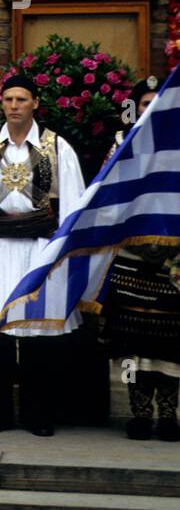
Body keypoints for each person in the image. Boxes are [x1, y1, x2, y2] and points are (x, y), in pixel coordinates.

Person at [0, 72, 85, 436]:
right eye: (8, 100)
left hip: (38, 247)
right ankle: (1, 410)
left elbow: (73, 203)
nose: (13, 106)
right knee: (0, 335)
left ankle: (36, 412)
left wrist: (63, 250)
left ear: (35, 103)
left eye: (21, 100)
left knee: (36, 335)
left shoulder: (57, 148)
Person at [97, 76, 179, 441]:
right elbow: (104, 197)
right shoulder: (120, 146)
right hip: (130, 258)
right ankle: (141, 413)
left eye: (156, 103)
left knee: (170, 346)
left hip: (173, 260)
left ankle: (169, 415)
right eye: (143, 104)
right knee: (132, 344)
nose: (150, 110)